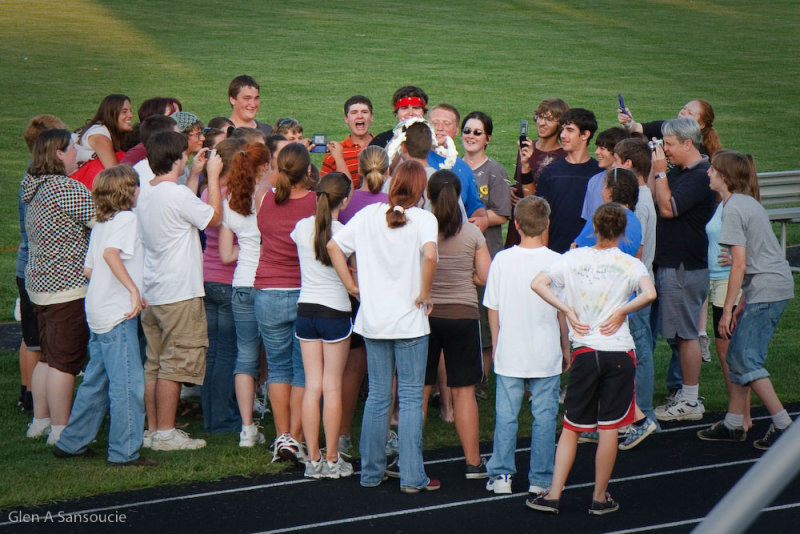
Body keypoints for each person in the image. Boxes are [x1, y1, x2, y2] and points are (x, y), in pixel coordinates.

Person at [529, 203, 656, 515]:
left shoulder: (572, 258)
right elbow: (650, 294)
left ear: (595, 229)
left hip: (586, 350)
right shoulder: (630, 263)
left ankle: (554, 494)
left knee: (572, 427)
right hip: (619, 351)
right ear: (622, 232)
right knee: (609, 427)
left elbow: (537, 283)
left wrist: (568, 310)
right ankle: (600, 497)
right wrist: (622, 310)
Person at [328, 160, 440, 494]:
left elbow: (334, 247)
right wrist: (425, 292)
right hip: (409, 322)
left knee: (378, 396)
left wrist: (350, 284)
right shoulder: (424, 219)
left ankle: (371, 472)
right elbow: (431, 256)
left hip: (374, 320)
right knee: (408, 398)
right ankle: (412, 476)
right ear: (421, 189)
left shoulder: (367, 216)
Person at [53, 165, 155, 466]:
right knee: (128, 385)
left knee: (96, 379)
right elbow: (111, 255)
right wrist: (134, 291)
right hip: (117, 313)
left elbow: (90, 268)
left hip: (97, 310)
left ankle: (72, 442)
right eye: (137, 186)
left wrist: (132, 285)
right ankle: (125, 452)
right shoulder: (126, 219)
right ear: (129, 191)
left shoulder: (102, 221)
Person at [697, 150, 794, 449]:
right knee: (738, 355)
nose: (708, 173)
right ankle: (734, 424)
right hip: (766, 287)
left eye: (712, 169)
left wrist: (727, 310)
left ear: (724, 176)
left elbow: (738, 265)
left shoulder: (734, 208)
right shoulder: (742, 203)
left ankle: (784, 426)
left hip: (767, 290)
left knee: (746, 359)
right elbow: (753, 257)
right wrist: (740, 304)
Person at [137, 130, 223, 451]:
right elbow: (212, 217)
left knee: (154, 364)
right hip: (180, 293)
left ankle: (154, 430)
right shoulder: (177, 196)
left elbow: (180, 208)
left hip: (154, 292)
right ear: (178, 158)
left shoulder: (148, 192)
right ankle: (166, 434)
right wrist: (212, 178)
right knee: (175, 364)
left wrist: (196, 175)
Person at [483, 196, 568, 495]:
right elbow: (562, 311)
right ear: (546, 224)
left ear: (516, 224)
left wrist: (496, 343)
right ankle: (541, 479)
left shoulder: (502, 260)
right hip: (545, 350)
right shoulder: (558, 261)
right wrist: (566, 347)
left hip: (510, 348)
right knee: (544, 417)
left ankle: (502, 475)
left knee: (506, 414)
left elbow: (492, 307)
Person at [22, 129, 94, 444]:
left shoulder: (33, 186)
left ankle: (40, 421)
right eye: (73, 146)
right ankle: (61, 431)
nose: (78, 150)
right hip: (66, 286)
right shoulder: (66, 189)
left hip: (39, 284)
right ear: (59, 154)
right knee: (65, 363)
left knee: (48, 357)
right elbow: (102, 219)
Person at [422, 169, 491, 478]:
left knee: (419, 391)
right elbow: (486, 276)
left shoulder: (421, 230)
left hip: (426, 317)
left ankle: (410, 460)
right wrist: (468, 276)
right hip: (463, 315)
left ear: (429, 196)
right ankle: (473, 462)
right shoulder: (473, 234)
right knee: (464, 391)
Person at [253, 143, 317, 463]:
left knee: (278, 368)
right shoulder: (316, 202)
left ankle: (282, 437)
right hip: (304, 293)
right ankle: (295, 437)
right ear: (308, 171)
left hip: (268, 292)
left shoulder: (266, 199)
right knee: (302, 371)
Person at [650, 118, 716, 422]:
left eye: (670, 144)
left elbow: (667, 208)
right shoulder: (680, 172)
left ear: (688, 143)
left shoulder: (701, 176)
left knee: (686, 335)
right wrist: (658, 170)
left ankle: (689, 400)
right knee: (678, 334)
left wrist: (661, 171)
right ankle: (685, 394)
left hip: (685, 265)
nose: (666, 150)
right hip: (674, 263)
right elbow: (654, 196)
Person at [291, 172, 355, 479]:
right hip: (335, 313)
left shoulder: (302, 227)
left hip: (306, 310)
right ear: (344, 200)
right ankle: (331, 460)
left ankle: (312, 460)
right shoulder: (345, 232)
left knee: (312, 385)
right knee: (332, 387)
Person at [335, 146, 390, 454]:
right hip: (387, 292)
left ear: (358, 170)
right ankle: (384, 434)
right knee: (389, 369)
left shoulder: (348, 201)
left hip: (355, 291)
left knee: (352, 368)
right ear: (388, 170)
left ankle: (342, 433)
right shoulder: (394, 204)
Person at [216, 139, 269, 447]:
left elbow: (225, 254)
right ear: (263, 167)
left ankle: (246, 429)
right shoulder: (269, 197)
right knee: (278, 358)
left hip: (241, 284)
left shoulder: (231, 199)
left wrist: (247, 247)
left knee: (245, 357)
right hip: (270, 284)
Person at [16, 115, 68, 415]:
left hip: (27, 267)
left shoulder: (29, 178)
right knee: (42, 346)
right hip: (43, 268)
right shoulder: (49, 184)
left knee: (31, 340)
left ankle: (28, 396)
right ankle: (38, 404)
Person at [199, 140, 245, 434]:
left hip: (206, 277)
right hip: (229, 282)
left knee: (213, 351)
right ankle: (224, 419)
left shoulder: (208, 192)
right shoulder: (239, 197)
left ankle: (211, 416)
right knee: (228, 353)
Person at [505, 98, 569, 248]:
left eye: (549, 119)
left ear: (560, 125)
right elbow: (520, 182)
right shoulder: (526, 147)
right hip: (518, 223)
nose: (541, 123)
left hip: (541, 228)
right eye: (540, 117)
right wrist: (510, 191)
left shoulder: (562, 157)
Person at [535, 108, 600, 253]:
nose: (563, 135)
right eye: (562, 129)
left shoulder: (599, 174)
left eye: (570, 130)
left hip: (589, 256)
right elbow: (541, 218)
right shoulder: (550, 172)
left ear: (585, 135)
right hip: (554, 254)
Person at [426, 103, 489, 232]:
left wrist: (482, 218)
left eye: (447, 123)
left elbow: (474, 205)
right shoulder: (417, 159)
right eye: (435, 123)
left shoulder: (463, 167)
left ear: (456, 130)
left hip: (454, 236)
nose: (440, 128)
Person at [573, 168, 641, 257]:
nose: (602, 190)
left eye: (604, 186)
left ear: (610, 192)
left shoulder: (600, 217)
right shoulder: (636, 222)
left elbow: (578, 250)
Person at [618, 99, 721, 157]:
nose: (683, 112)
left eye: (690, 113)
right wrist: (628, 123)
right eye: (684, 108)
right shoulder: (665, 127)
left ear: (701, 125)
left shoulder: (699, 153)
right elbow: (636, 128)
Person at [322, 95, 375, 187]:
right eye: (354, 112)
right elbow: (324, 189)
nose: (360, 116)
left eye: (364, 112)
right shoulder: (334, 153)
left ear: (371, 117)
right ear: (346, 119)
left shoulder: (384, 146)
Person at [580, 127, 632, 220]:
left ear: (617, 152)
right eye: (597, 148)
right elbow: (588, 220)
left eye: (602, 148)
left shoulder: (631, 183)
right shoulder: (594, 181)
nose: (596, 152)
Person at [74, 94, 134, 169]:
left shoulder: (108, 130)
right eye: (124, 112)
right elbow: (115, 172)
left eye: (130, 111)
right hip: (70, 177)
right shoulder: (99, 135)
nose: (130, 115)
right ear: (111, 114)